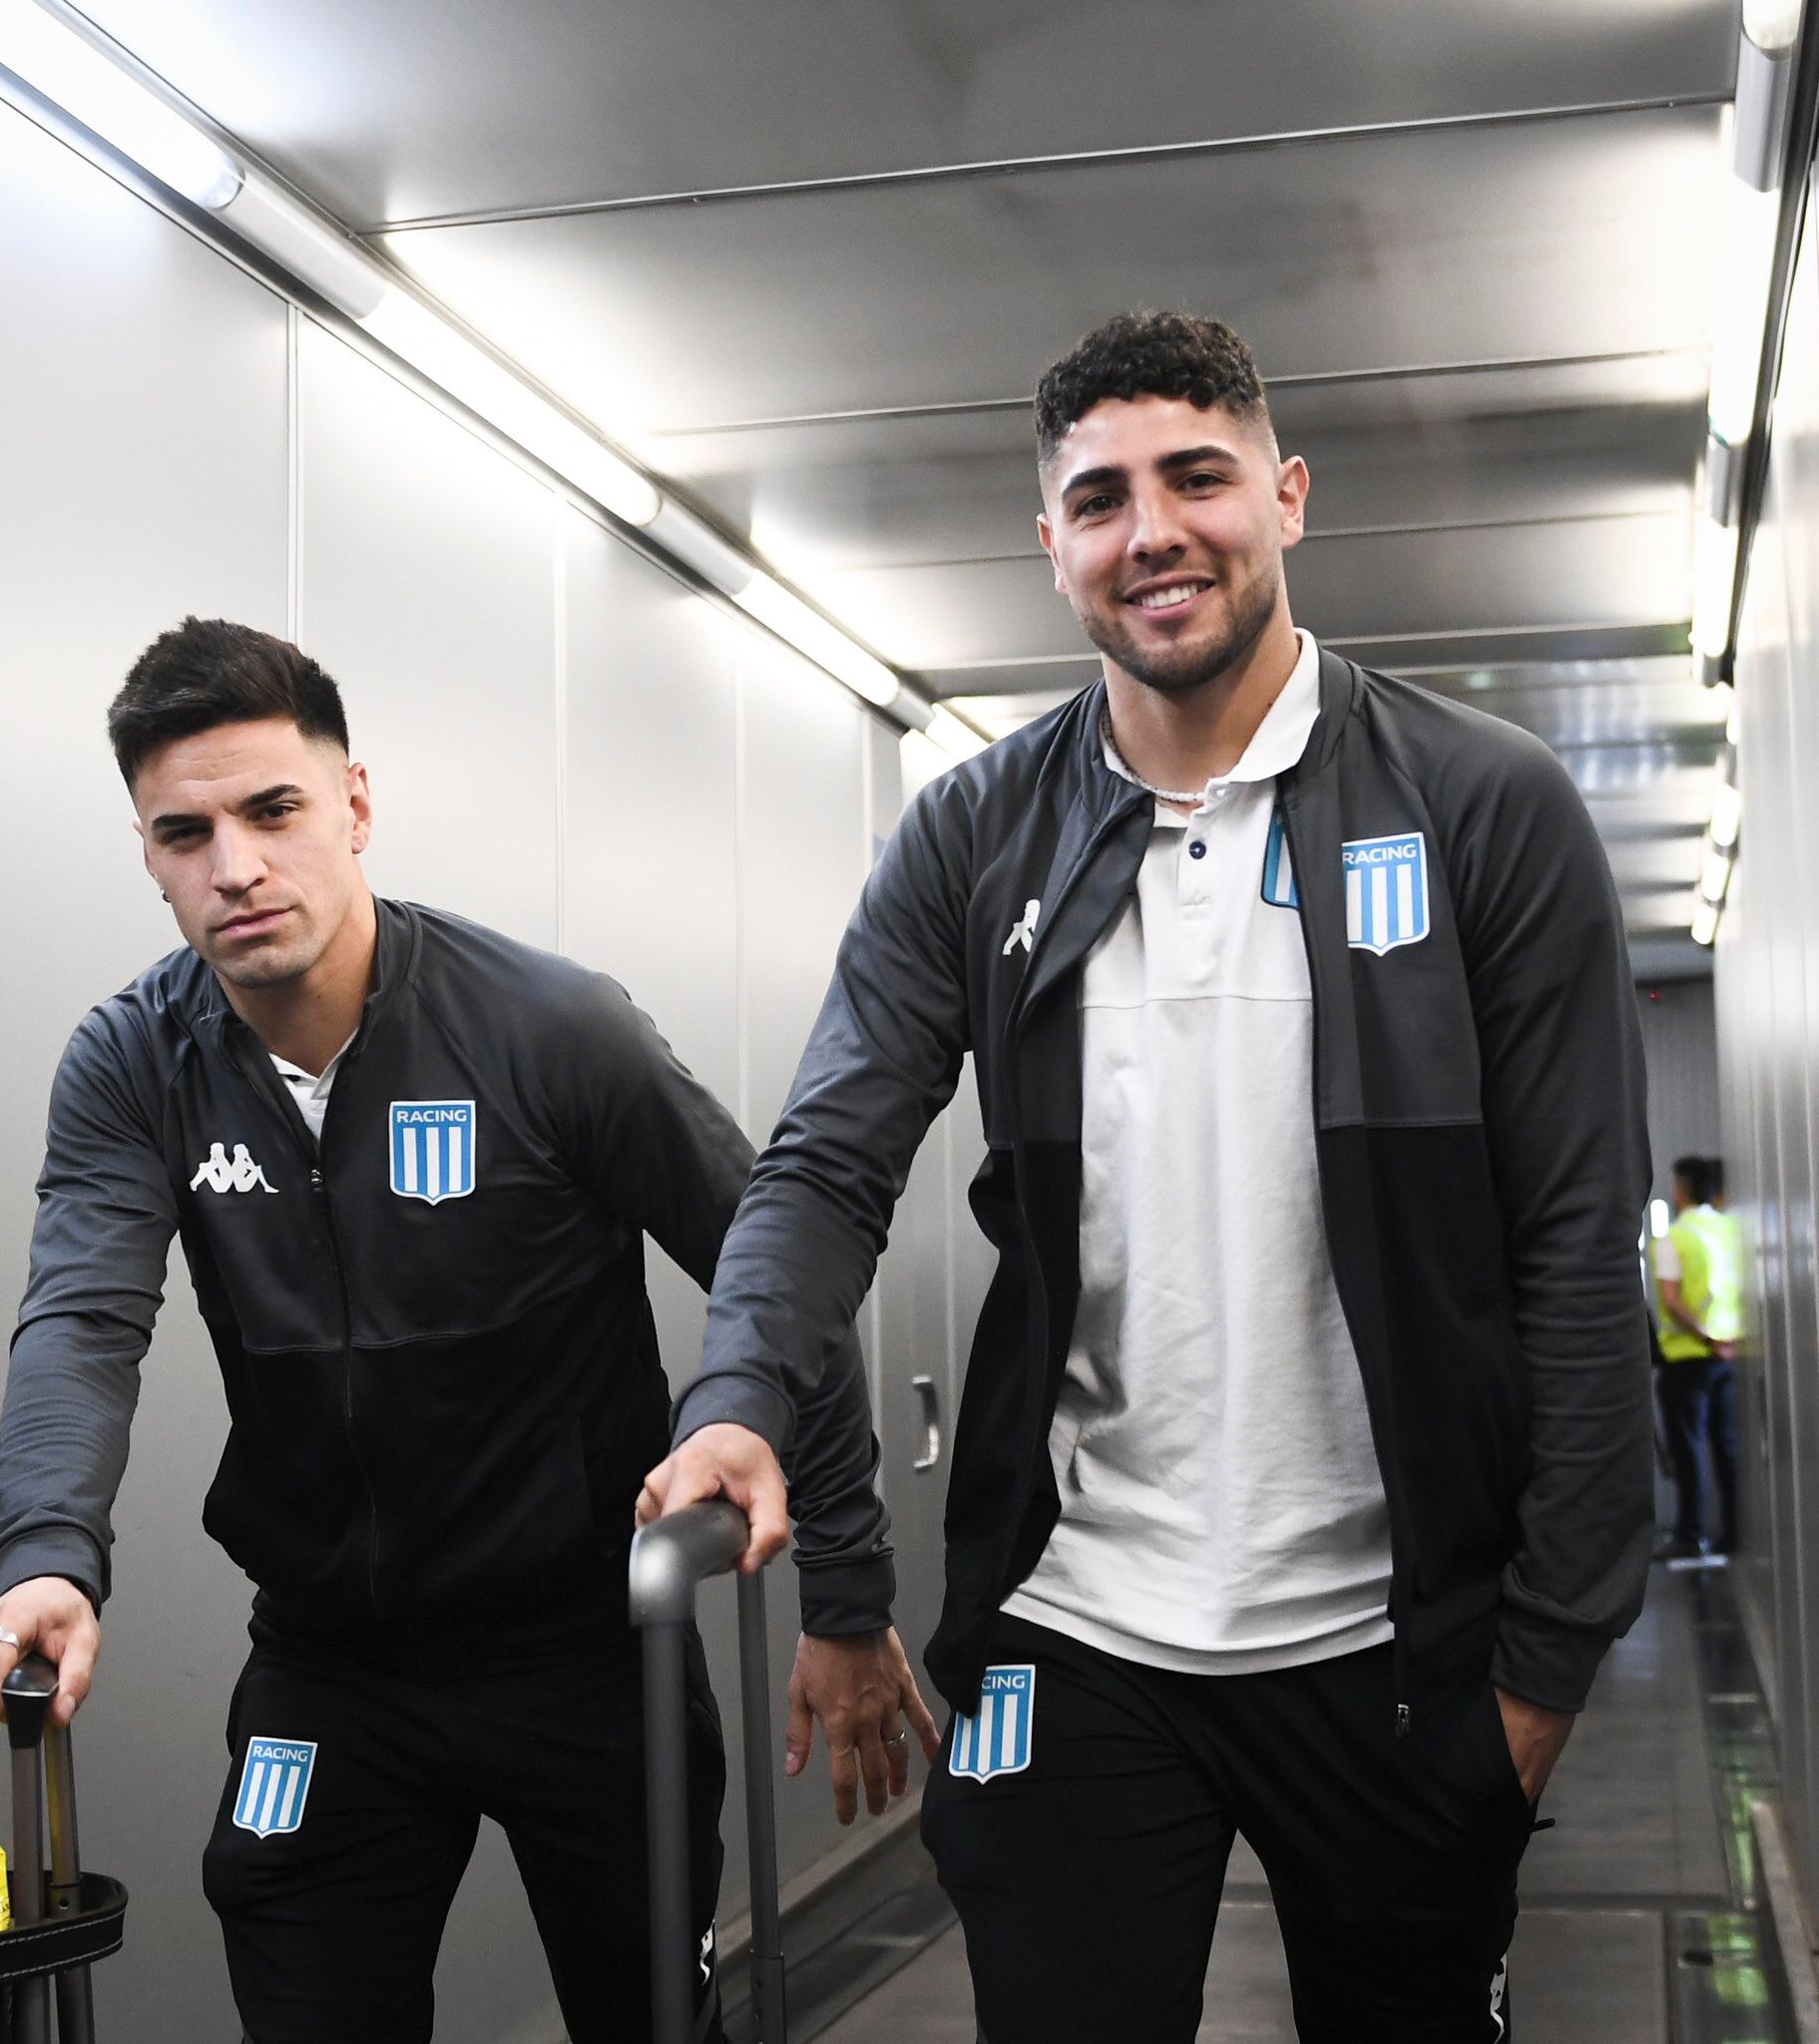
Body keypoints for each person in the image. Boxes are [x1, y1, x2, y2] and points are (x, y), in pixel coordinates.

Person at [641, 311, 1654, 2041]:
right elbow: (825, 1159)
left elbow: (1573, 1241)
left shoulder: (1484, 803)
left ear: (1286, 494)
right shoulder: (975, 832)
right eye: (1097, 497)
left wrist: (1543, 1663)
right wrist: (735, 1390)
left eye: (1196, 476)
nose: (1151, 531)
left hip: (1393, 1642)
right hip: (1076, 1615)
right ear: (1050, 542)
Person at [0, 618, 931, 2044]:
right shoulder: (134, 1064)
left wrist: (843, 1593)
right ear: (149, 854)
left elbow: (776, 1281)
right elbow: (81, 1321)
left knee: (647, 2008)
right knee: (296, 1973)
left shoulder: (548, 1031)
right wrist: (44, 1554)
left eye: (273, 810)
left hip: (590, 1653)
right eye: (186, 832)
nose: (236, 867)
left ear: (353, 804)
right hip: (331, 1667)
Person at [1653, 1155, 1742, 1562]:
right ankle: (1734, 1533)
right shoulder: (1730, 1230)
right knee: (1727, 1447)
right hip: (1730, 1353)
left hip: (1689, 1356)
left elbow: (1671, 1301)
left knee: (1688, 1449)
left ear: (1681, 1189)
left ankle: (1690, 1534)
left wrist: (1705, 1338)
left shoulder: (1674, 1237)